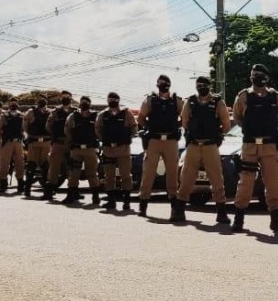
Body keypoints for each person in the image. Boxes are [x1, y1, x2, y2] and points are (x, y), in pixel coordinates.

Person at [231, 64, 278, 233]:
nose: (257, 77)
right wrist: (252, 127)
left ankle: (276, 220)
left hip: (270, 145)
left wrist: (270, 126)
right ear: (251, 77)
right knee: (246, 183)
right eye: (254, 74)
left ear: (267, 78)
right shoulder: (243, 96)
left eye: (260, 74)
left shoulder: (274, 96)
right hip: (250, 145)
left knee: (273, 183)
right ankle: (239, 218)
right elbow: (237, 117)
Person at [173, 76, 231, 224]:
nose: (201, 87)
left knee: (217, 179)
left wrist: (218, 135)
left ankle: (221, 212)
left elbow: (226, 124)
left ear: (209, 86)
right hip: (193, 145)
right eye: (199, 85)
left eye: (204, 84)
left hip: (210, 145)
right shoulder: (190, 102)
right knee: (186, 178)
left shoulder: (218, 102)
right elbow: (185, 121)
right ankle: (179, 210)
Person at [137, 75, 184, 218]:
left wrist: (177, 126)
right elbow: (140, 118)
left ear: (170, 85)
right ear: (157, 84)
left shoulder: (177, 101)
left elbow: (185, 117)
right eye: (161, 83)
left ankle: (174, 209)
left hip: (170, 141)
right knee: (148, 173)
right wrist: (150, 127)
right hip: (154, 140)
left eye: (166, 83)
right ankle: (143, 205)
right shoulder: (150, 100)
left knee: (172, 174)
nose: (163, 85)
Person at [95, 92, 137, 211]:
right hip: (108, 149)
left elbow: (134, 127)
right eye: (110, 99)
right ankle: (111, 201)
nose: (112, 100)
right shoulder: (103, 115)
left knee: (126, 176)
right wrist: (104, 140)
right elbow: (98, 129)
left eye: (114, 99)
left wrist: (128, 138)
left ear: (118, 100)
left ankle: (127, 202)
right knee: (109, 176)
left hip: (123, 149)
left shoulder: (126, 113)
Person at [63, 96, 102, 205]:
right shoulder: (73, 116)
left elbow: (99, 130)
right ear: (79, 104)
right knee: (73, 173)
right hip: (77, 148)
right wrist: (72, 141)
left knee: (92, 173)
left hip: (90, 148)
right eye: (82, 102)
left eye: (86, 102)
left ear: (90, 104)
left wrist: (97, 141)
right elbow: (67, 130)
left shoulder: (96, 116)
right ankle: (71, 195)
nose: (84, 104)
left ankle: (95, 197)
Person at [43, 91, 75, 201]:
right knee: (54, 167)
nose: (65, 98)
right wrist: (55, 136)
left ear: (71, 98)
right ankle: (49, 191)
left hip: (71, 143)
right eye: (64, 97)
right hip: (59, 142)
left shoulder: (75, 111)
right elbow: (49, 126)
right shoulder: (55, 112)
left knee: (73, 167)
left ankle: (73, 191)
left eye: (67, 97)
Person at [0, 97, 26, 195]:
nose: (13, 104)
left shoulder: (21, 115)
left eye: (15, 102)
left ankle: (20, 185)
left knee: (20, 164)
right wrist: (3, 137)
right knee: (4, 163)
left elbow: (25, 128)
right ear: (9, 104)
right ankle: (3, 185)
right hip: (7, 142)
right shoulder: (4, 115)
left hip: (18, 143)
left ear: (18, 104)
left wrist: (23, 137)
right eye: (12, 102)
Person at [22, 97, 51, 199]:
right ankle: (27, 189)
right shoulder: (31, 112)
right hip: (35, 141)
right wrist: (28, 136)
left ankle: (46, 191)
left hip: (45, 142)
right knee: (31, 165)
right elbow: (25, 125)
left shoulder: (49, 112)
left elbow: (51, 126)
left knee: (45, 166)